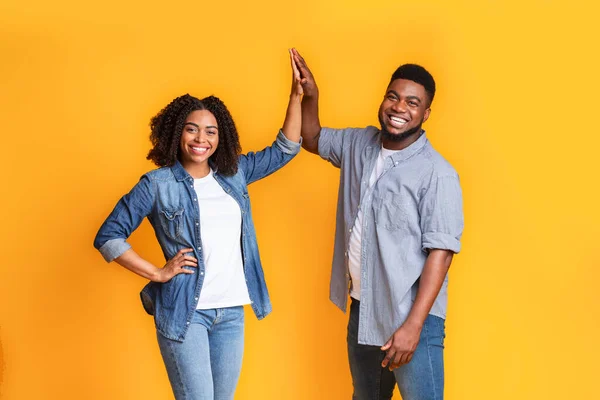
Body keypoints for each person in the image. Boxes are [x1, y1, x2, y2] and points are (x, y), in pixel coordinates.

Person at [93, 50, 303, 400]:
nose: (200, 139)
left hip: (232, 313)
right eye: (191, 129)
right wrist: (157, 273)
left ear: (221, 138)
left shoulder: (234, 175)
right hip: (186, 313)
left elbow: (285, 149)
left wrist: (296, 97)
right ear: (177, 133)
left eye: (210, 131)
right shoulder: (157, 184)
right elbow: (108, 236)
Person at [292, 48, 464, 400]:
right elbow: (311, 138)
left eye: (413, 103)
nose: (400, 108)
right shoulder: (359, 143)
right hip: (364, 308)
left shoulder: (437, 173)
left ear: (426, 113)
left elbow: (441, 253)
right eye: (393, 96)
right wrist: (312, 96)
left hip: (411, 317)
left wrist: (413, 327)